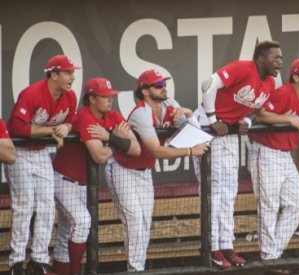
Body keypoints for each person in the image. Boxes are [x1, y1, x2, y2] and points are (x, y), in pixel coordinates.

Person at [106, 69, 209, 272]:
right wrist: (189, 151)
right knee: (134, 220)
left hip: (144, 172)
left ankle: (136, 267)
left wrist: (188, 114)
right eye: (158, 85)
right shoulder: (141, 113)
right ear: (145, 91)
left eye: (164, 84)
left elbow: (198, 135)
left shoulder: (171, 105)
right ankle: (136, 269)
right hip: (122, 169)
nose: (164, 88)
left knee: (144, 223)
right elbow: (157, 150)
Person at [200, 40, 283, 269]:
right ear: (261, 59)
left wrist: (246, 120)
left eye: (281, 58)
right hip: (208, 128)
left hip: (229, 132)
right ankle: (211, 247)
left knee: (229, 191)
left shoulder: (271, 82)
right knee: (214, 192)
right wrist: (212, 119)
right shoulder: (242, 67)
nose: (279, 62)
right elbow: (208, 85)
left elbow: (255, 109)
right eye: (275, 58)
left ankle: (227, 244)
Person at [248, 59, 299, 275]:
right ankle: (269, 258)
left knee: (297, 204)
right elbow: (261, 114)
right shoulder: (284, 92)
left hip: (285, 156)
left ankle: (274, 253)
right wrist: (287, 119)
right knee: (269, 206)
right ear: (295, 77)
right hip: (266, 152)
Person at [50, 77, 141, 275]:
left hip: (83, 184)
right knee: (82, 222)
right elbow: (99, 156)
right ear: (92, 98)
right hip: (62, 180)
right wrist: (117, 143)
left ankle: (60, 271)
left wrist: (109, 137)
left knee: (67, 231)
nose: (110, 100)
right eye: (105, 96)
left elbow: (135, 149)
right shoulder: (84, 116)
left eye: (111, 96)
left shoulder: (113, 116)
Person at [6, 54, 79, 275]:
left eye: (72, 72)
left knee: (47, 206)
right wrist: (51, 130)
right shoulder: (32, 93)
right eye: (67, 72)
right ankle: (16, 262)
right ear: (53, 74)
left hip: (40, 154)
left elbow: (72, 118)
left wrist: (66, 126)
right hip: (19, 153)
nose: (72, 77)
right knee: (25, 205)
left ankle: (38, 260)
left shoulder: (70, 96)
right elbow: (18, 129)